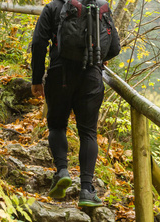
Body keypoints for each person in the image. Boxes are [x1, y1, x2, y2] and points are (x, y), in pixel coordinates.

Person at [31, 0, 121, 207]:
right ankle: (86, 190)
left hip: (59, 73)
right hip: (91, 75)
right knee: (88, 132)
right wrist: (97, 56)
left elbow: (38, 42)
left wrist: (36, 79)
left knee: (57, 124)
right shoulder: (101, 7)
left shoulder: (54, 7)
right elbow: (115, 46)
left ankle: (62, 171)